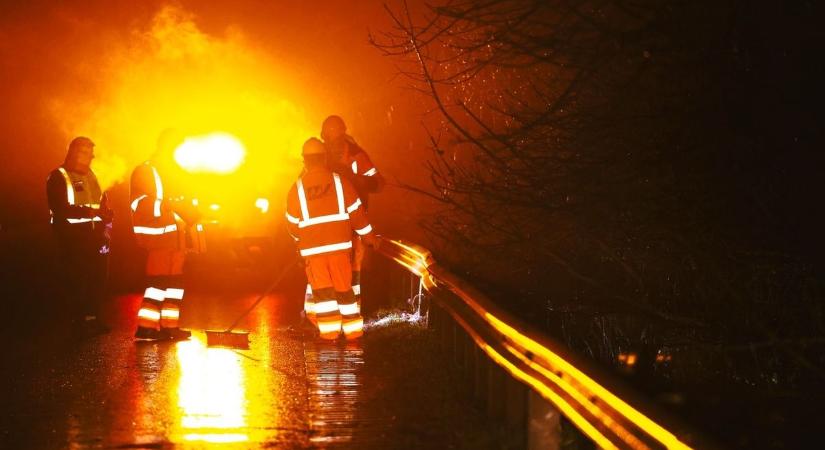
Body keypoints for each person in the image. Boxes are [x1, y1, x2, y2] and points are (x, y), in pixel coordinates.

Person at [286, 138, 378, 340]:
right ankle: (353, 334)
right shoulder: (339, 182)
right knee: (345, 291)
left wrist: (299, 241)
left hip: (313, 254)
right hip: (340, 250)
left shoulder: (297, 188)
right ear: (324, 158)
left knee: (324, 296)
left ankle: (329, 336)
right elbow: (357, 214)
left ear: (305, 161)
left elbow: (292, 224)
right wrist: (370, 238)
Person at [300, 115, 385, 318]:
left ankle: (349, 316)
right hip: (328, 226)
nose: (331, 140)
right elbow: (304, 186)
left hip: (352, 224)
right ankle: (316, 318)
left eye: (334, 134)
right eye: (327, 136)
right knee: (322, 274)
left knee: (350, 273)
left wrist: (353, 178)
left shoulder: (356, 155)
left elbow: (378, 183)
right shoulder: (320, 157)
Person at [130, 130, 198, 341]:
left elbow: (184, 201)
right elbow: (139, 202)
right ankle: (146, 327)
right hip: (159, 238)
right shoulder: (146, 170)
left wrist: (192, 212)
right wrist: (168, 205)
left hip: (177, 239)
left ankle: (170, 327)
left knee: (175, 286)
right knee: (158, 284)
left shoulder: (176, 171)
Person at [46, 136, 113, 336]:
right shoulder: (58, 176)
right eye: (85, 152)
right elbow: (59, 209)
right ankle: (78, 320)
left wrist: (107, 217)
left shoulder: (94, 175)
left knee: (97, 278)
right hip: (72, 237)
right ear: (73, 152)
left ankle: (93, 318)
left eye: (91, 152)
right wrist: (90, 213)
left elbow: (102, 203)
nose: (90, 156)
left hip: (96, 235)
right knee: (77, 279)